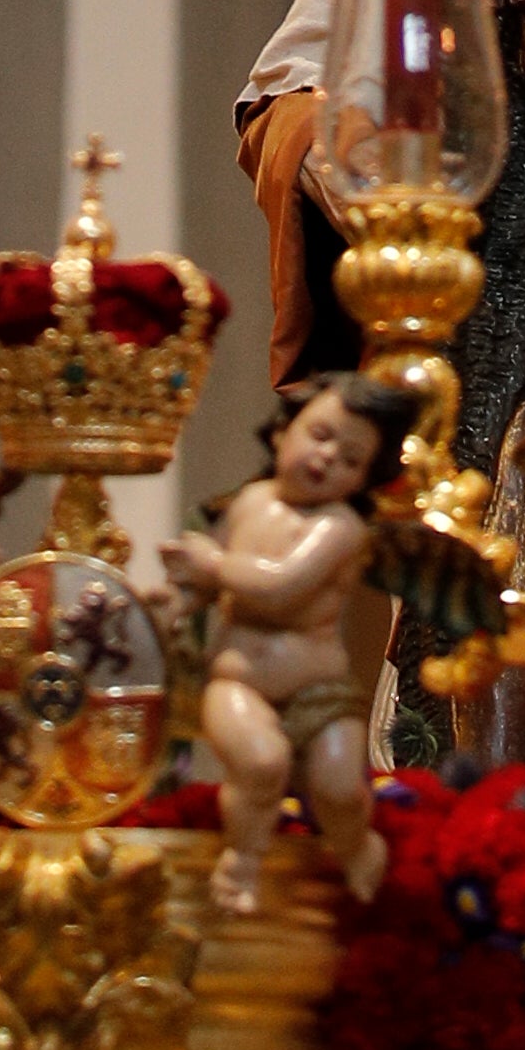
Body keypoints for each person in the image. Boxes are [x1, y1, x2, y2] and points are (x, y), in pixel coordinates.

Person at [159, 374, 403, 911]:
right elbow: (204, 584)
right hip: (238, 678)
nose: (327, 458)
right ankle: (242, 861)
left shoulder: (341, 528)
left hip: (318, 689)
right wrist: (172, 605)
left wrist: (214, 564)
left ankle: (357, 845)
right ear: (281, 433)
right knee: (260, 764)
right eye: (320, 435)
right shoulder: (248, 503)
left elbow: (280, 584)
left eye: (351, 459)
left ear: (364, 480)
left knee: (339, 788)